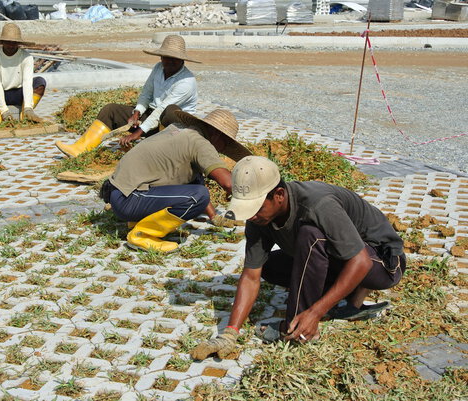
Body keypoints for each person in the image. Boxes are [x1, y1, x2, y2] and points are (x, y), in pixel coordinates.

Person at [191, 156, 406, 360]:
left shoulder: (317, 205)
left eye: (255, 208)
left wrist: (315, 312)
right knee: (269, 266)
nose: (251, 215)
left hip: (382, 262)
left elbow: (361, 261)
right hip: (342, 258)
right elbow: (251, 276)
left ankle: (297, 328)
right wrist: (230, 333)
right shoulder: (257, 218)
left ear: (279, 195)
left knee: (310, 235)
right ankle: (347, 298)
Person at [100, 109, 251, 252]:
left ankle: (137, 220)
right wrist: (258, 203)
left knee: (196, 182)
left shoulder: (179, 130)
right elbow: (229, 184)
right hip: (128, 199)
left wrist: (215, 217)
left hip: (117, 192)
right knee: (198, 196)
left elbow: (194, 180)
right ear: (217, 135)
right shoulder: (200, 143)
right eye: (225, 144)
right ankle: (143, 234)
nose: (221, 150)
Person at [55, 34, 198, 158]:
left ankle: (163, 152)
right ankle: (80, 148)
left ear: (182, 60)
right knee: (110, 110)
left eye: (175, 59)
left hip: (174, 126)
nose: (170, 62)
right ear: (160, 57)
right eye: (167, 58)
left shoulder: (186, 82)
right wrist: (136, 113)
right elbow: (147, 92)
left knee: (170, 110)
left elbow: (162, 110)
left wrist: (136, 134)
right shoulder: (158, 68)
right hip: (153, 116)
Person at [0, 23, 46, 125]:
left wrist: (29, 106)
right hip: (0, 93)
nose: (11, 45)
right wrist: (3, 110)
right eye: (7, 42)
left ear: (18, 43)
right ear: (2, 42)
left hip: (19, 94)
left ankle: (25, 113)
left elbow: (27, 82)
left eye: (14, 42)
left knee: (40, 82)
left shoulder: (26, 57)